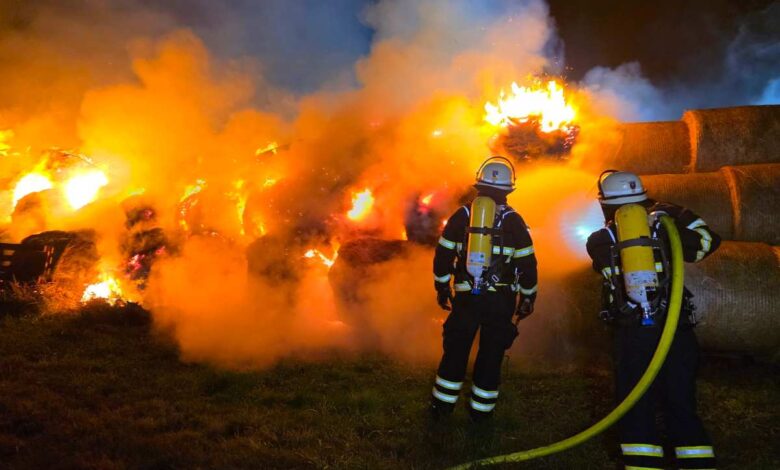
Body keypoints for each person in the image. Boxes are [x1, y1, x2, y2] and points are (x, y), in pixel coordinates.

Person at [586, 170, 720, 470]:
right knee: (681, 398)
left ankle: (642, 463)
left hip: (632, 330)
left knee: (635, 401)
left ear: (604, 203)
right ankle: (697, 462)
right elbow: (708, 242)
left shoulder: (599, 240)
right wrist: (668, 214)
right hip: (674, 326)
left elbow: (605, 271)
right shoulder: (666, 224)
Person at [430, 156, 538, 422]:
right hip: (501, 300)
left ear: (478, 185)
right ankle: (481, 413)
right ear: (509, 189)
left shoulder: (462, 215)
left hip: (466, 297)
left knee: (455, 350)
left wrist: (442, 288)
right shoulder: (514, 221)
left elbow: (442, 256)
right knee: (491, 354)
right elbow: (528, 264)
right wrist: (528, 296)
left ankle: (441, 409)